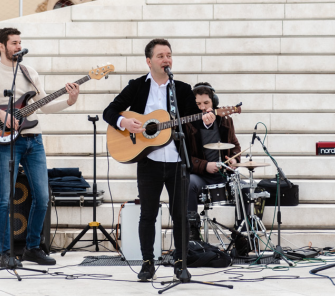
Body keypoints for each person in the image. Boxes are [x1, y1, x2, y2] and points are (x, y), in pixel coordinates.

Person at [0, 27, 79, 269]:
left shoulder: (30, 73)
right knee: (5, 200)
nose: (19, 46)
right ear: (1, 46)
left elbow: (43, 106)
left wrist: (69, 102)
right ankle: (6, 252)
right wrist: (0, 113)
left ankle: (32, 248)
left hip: (34, 140)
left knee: (42, 197)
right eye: (14, 43)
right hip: (8, 142)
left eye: (20, 42)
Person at [102, 39, 198, 282]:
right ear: (149, 61)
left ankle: (180, 263)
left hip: (177, 161)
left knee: (180, 215)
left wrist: (206, 119)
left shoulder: (182, 89)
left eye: (169, 55)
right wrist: (125, 123)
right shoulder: (137, 86)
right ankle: (147, 263)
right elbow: (110, 112)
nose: (166, 59)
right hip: (148, 161)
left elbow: (192, 123)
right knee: (148, 214)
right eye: (160, 56)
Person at [184, 83, 242, 240]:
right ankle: (192, 236)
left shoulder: (225, 120)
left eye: (206, 103)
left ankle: (241, 237)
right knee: (188, 184)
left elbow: (236, 146)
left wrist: (234, 159)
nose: (203, 108)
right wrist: (204, 166)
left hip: (223, 174)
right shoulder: (187, 124)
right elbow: (183, 156)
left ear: (213, 103)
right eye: (198, 104)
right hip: (200, 175)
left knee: (245, 188)